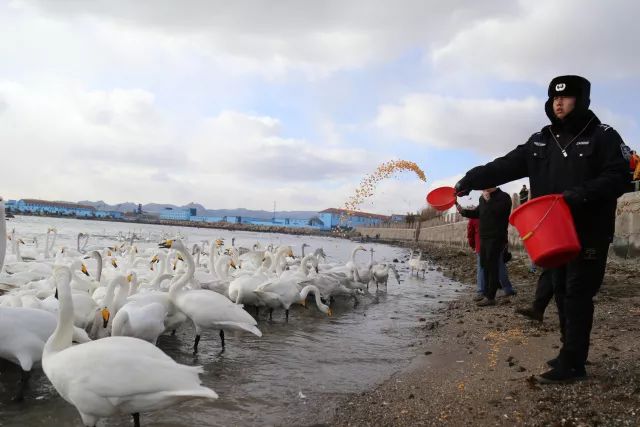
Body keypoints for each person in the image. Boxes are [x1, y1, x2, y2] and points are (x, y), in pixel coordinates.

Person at [454, 75, 629, 383]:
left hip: (589, 229)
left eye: (566, 97)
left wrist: (579, 194)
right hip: (551, 232)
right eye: (553, 99)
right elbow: (504, 165)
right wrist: (471, 179)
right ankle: (570, 353)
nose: (558, 103)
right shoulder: (541, 140)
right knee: (560, 289)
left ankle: (573, 363)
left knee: (578, 292)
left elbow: (618, 177)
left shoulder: (604, 136)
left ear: (582, 100)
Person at [456, 187, 512, 306]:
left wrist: (488, 201)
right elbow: (478, 213)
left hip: (496, 236)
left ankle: (491, 297)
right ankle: (486, 294)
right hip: (484, 237)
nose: (482, 188)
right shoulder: (482, 198)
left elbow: (499, 213)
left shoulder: (504, 197)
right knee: (485, 266)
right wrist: (462, 210)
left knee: (493, 266)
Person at [467, 216, 516, 301]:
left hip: (481, 246)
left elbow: (470, 233)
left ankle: (481, 292)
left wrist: (473, 245)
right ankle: (508, 289)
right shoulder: (496, 213)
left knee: (481, 268)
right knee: (500, 267)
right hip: (496, 244)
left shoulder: (474, 217)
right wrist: (504, 243)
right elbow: (504, 230)